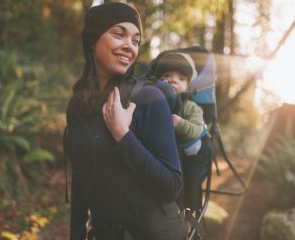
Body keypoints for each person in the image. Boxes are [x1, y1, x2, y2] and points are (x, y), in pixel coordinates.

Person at [64, 2, 187, 240]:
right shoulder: (79, 105)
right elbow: (80, 181)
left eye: (135, 40)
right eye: (119, 34)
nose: (129, 46)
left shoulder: (148, 98)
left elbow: (172, 185)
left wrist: (122, 134)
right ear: (92, 40)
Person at [154, 52, 206, 213]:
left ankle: (189, 210)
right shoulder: (153, 102)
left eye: (181, 78)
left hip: (189, 152)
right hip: (165, 153)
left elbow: (197, 129)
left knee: (190, 182)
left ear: (188, 86)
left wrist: (180, 123)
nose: (173, 80)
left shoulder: (190, 107)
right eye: (167, 75)